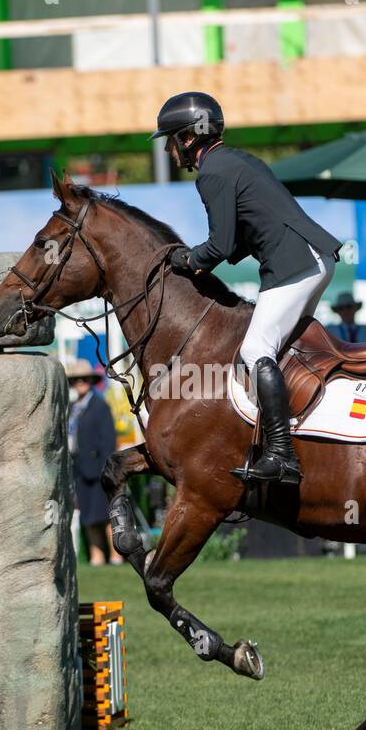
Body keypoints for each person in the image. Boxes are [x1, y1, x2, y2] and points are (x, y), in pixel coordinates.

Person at [153, 91, 342, 486]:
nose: (172, 152)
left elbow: (220, 245)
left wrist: (185, 261)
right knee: (282, 351)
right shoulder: (236, 160)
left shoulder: (212, 172)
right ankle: (311, 433)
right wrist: (200, 259)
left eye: (172, 140)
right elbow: (238, 239)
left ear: (188, 139)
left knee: (256, 350)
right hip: (313, 258)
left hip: (294, 264)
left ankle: (283, 455)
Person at [66, 359, 120, 566]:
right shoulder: (71, 408)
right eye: (77, 379)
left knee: (106, 515)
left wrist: (106, 469)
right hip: (78, 469)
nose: (81, 382)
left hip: (98, 470)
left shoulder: (100, 406)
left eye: (84, 379)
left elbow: (109, 441)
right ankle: (96, 556)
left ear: (91, 380)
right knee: (87, 516)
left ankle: (116, 555)